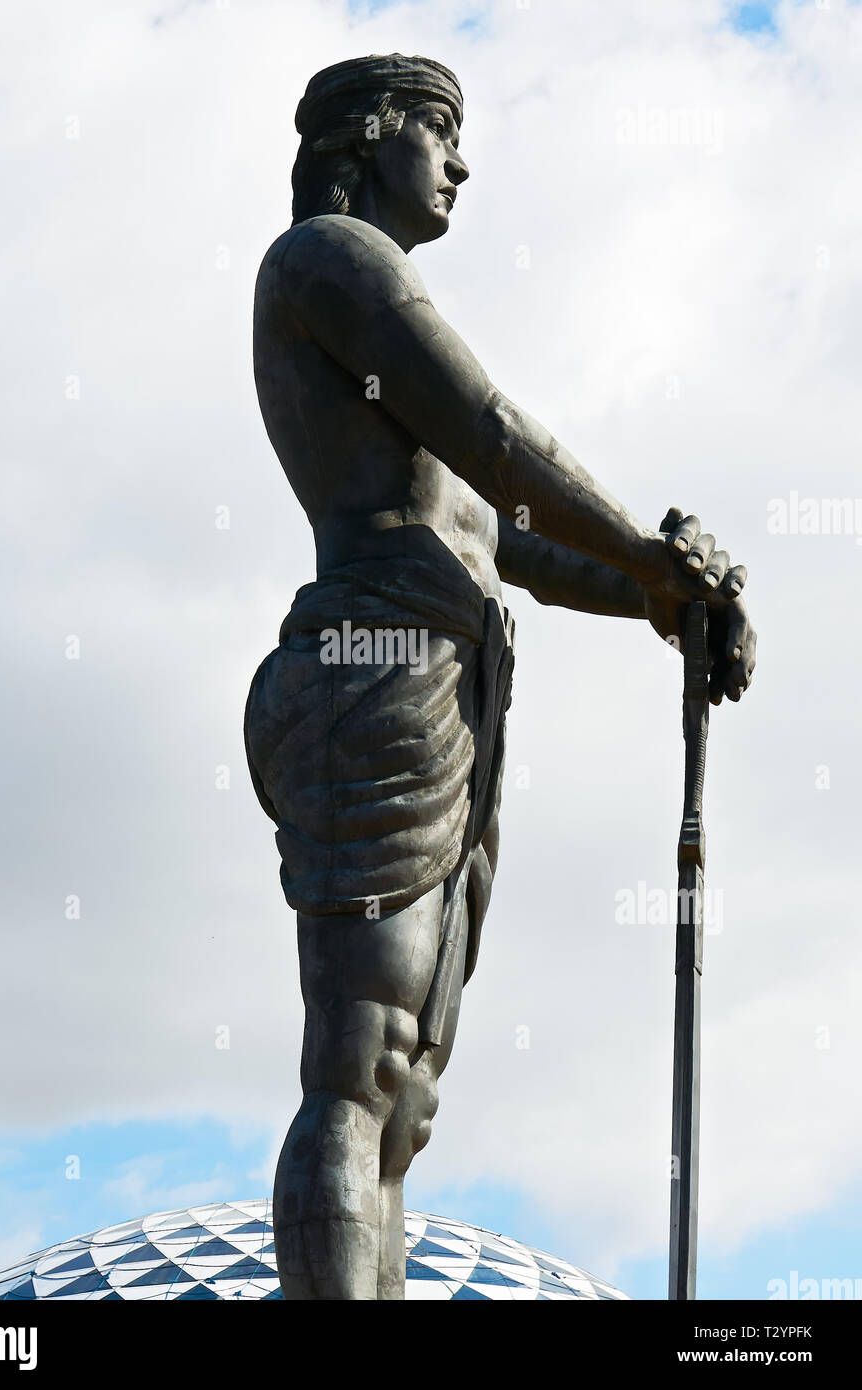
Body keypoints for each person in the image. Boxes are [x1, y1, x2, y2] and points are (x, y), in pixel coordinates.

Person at [244, 53, 756, 1300]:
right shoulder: (329, 260)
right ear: (371, 137)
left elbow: (500, 535)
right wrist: (645, 550)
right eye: (438, 131)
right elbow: (493, 430)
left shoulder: (376, 307)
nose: (460, 161)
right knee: (358, 1065)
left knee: (408, 1086)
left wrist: (654, 595)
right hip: (373, 671)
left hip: (450, 685)